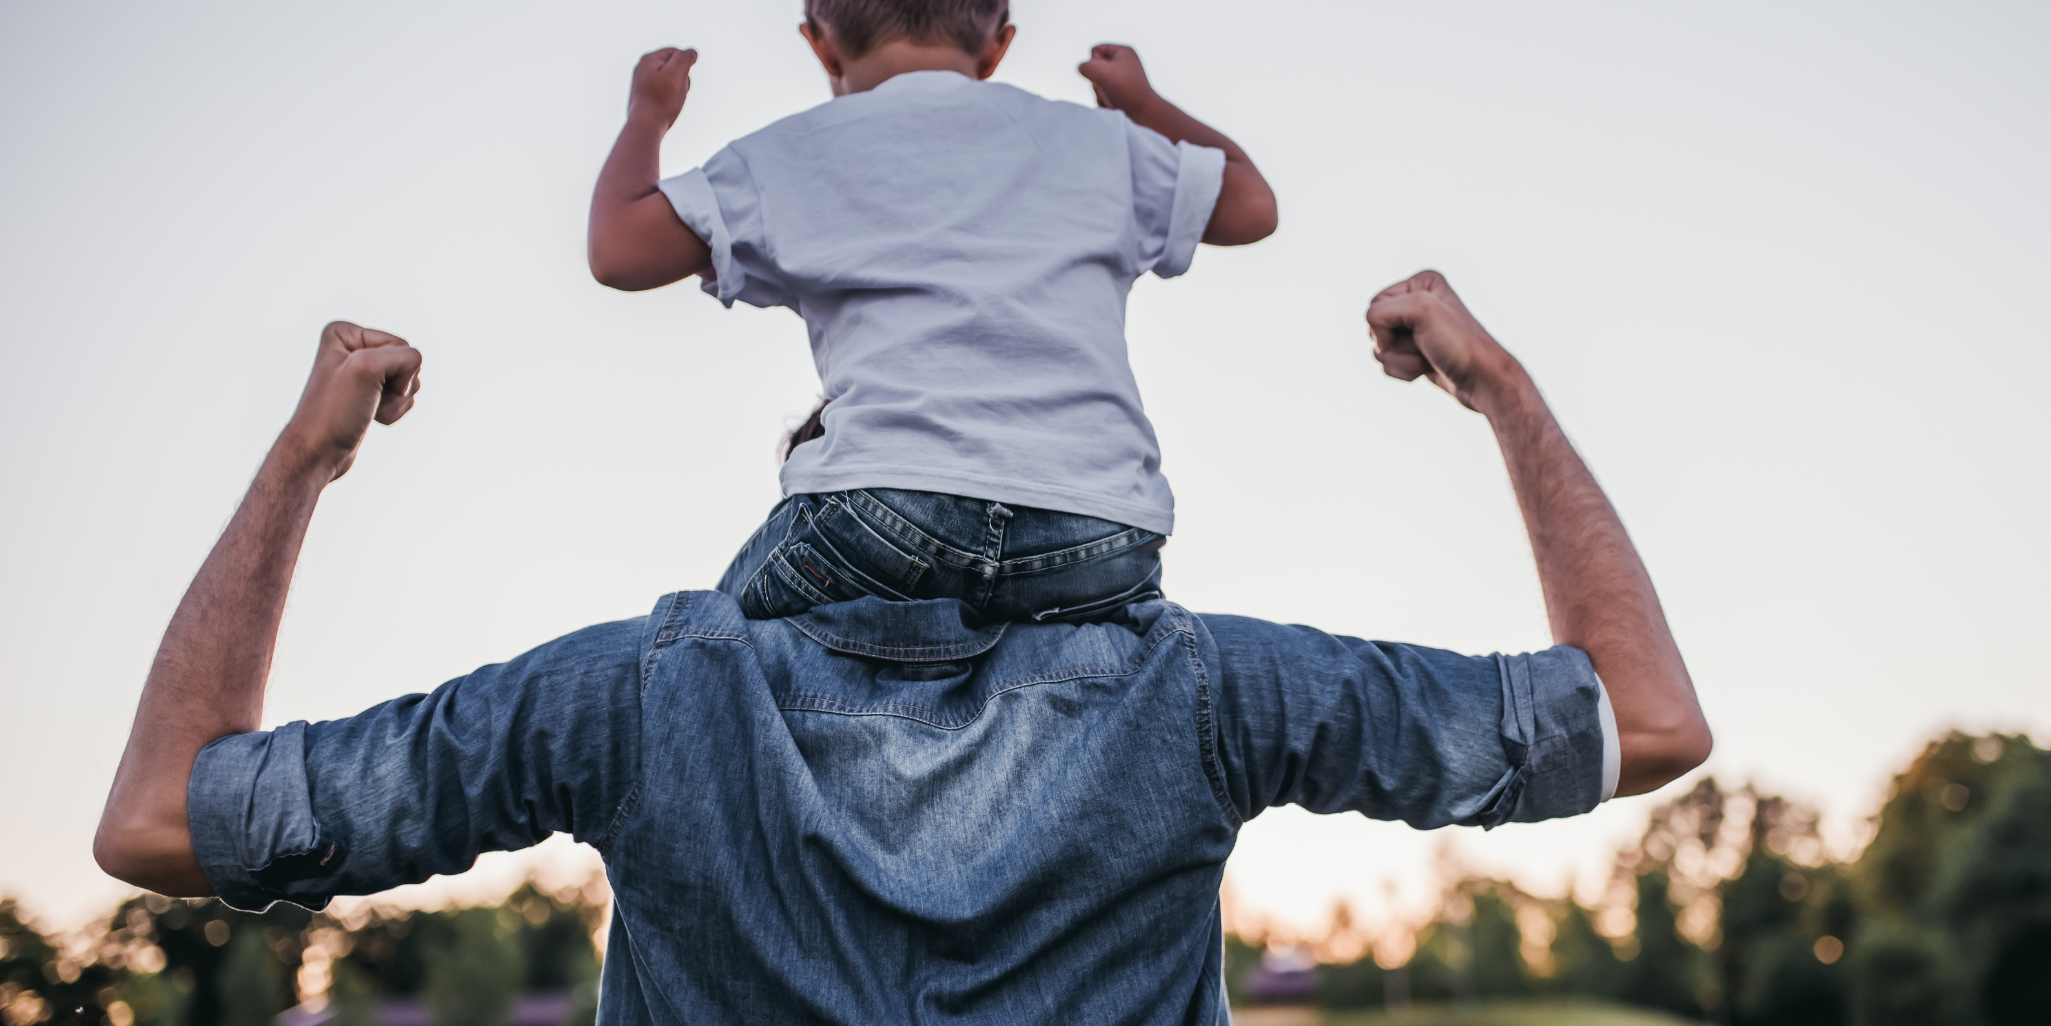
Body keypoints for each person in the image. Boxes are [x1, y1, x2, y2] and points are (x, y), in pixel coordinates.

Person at [94, 273, 1712, 1025]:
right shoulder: (1199, 691)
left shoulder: (638, 700)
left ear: (814, 476)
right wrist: (1496, 385)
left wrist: (304, 461)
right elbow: (1643, 717)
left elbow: (163, 816)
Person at [583, 0, 1278, 627]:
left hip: (888, 516)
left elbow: (618, 250)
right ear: (998, 45)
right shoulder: (1097, 144)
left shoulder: (794, 154)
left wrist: (646, 116)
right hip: (1101, 532)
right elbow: (1252, 205)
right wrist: (1142, 104)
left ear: (820, 44)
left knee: (708, 651)